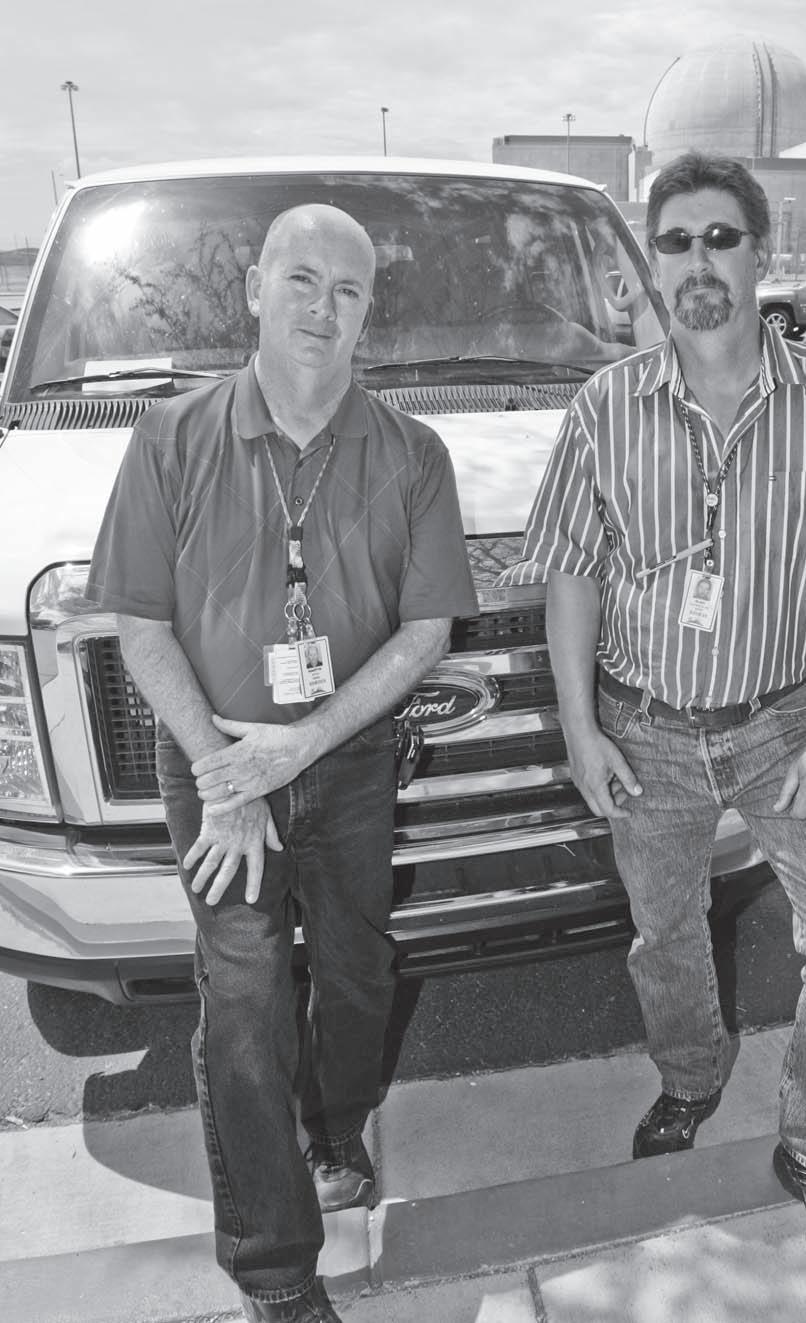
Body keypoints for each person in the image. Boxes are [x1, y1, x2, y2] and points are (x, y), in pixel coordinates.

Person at [509, 151, 806, 1291]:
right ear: (654, 264)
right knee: (664, 933)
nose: (698, 261)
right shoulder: (605, 408)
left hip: (784, 719)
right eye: (676, 241)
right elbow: (571, 573)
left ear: (759, 253)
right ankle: (689, 1078)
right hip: (643, 727)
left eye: (720, 238)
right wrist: (581, 727)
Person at [87, 204, 477, 1323]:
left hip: (346, 765)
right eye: (300, 279)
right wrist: (227, 775)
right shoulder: (171, 439)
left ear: (369, 313)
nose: (322, 307)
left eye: (347, 290)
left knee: (358, 973)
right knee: (246, 1000)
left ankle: (337, 1131)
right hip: (214, 770)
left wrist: (303, 744)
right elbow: (138, 625)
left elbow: (425, 633)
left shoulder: (413, 454)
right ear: (255, 289)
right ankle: (274, 1268)